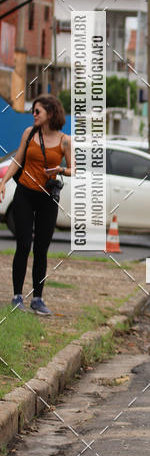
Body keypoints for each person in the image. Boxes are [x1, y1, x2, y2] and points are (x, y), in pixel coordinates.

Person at [0, 95, 72, 315]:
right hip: (24, 193)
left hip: (47, 198)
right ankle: (17, 296)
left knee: (41, 249)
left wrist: (59, 170)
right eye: (33, 110)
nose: (33, 114)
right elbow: (18, 160)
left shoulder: (65, 140)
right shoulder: (29, 133)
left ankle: (38, 299)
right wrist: (3, 182)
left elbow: (73, 169)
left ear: (50, 113)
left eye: (37, 111)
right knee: (23, 245)